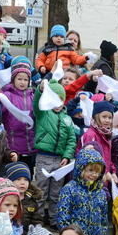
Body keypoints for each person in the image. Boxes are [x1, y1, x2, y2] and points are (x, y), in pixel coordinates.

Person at [55, 148, 108, 235]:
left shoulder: (101, 193)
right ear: (81, 168)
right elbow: (63, 215)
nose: (93, 174)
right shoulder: (70, 189)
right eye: (90, 170)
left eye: (97, 171)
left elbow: (103, 219)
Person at [32, 80, 76, 223]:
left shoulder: (67, 119)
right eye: (54, 99)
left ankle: (54, 219)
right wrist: (40, 90)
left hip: (60, 161)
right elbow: (36, 102)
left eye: (60, 99)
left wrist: (67, 156)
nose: (57, 103)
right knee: (40, 189)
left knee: (56, 192)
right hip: (43, 157)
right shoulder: (43, 113)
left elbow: (71, 140)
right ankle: (37, 218)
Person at [0, 62, 36, 167]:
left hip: (30, 144)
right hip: (13, 143)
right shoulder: (7, 95)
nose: (22, 82)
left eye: (25, 79)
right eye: (19, 79)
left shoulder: (32, 96)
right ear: (13, 79)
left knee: (28, 173)